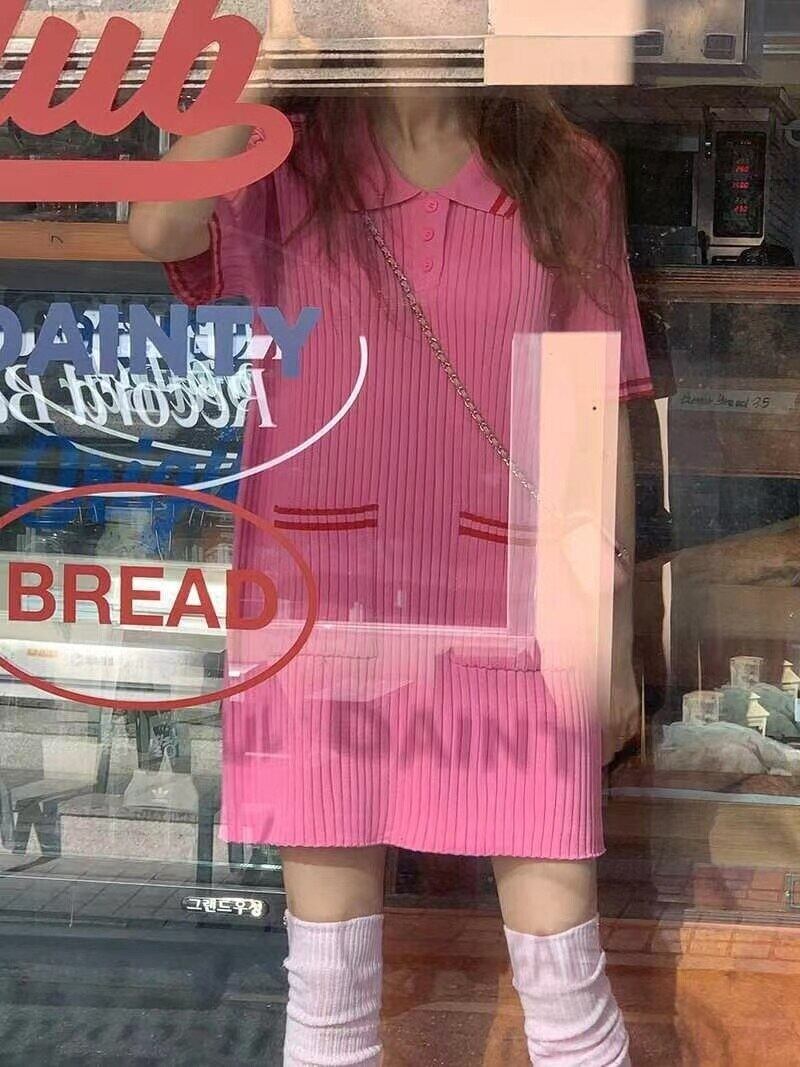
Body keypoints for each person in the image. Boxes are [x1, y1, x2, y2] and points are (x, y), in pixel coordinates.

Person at [129, 40, 652, 1067]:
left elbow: (593, 412)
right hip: (325, 607)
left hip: (512, 609)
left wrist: (613, 634)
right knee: (328, 996)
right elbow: (158, 223)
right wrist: (276, 54)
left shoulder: (563, 170)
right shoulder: (283, 161)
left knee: (566, 985)